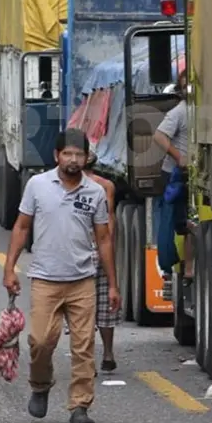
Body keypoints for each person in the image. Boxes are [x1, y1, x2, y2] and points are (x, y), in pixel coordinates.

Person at [2, 128, 118, 423]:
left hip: (82, 281)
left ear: (87, 158)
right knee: (41, 341)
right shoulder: (38, 186)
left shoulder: (94, 192)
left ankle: (80, 405)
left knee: (83, 345)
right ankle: (40, 386)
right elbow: (22, 227)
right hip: (45, 279)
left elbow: (104, 239)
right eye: (67, 154)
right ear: (57, 156)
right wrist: (9, 268)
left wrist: (114, 285)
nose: (73, 159)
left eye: (79, 154)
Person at [83, 150, 120, 372]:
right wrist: (107, 249)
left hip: (80, 252)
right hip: (100, 249)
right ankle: (107, 352)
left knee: (82, 307)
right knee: (105, 303)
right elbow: (109, 220)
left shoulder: (69, 185)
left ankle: (87, 358)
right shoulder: (106, 185)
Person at [151, 72, 189, 282]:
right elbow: (158, 136)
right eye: (184, 86)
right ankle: (173, 264)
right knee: (177, 223)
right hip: (176, 176)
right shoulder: (180, 112)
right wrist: (179, 157)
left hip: (192, 175)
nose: (188, 90)